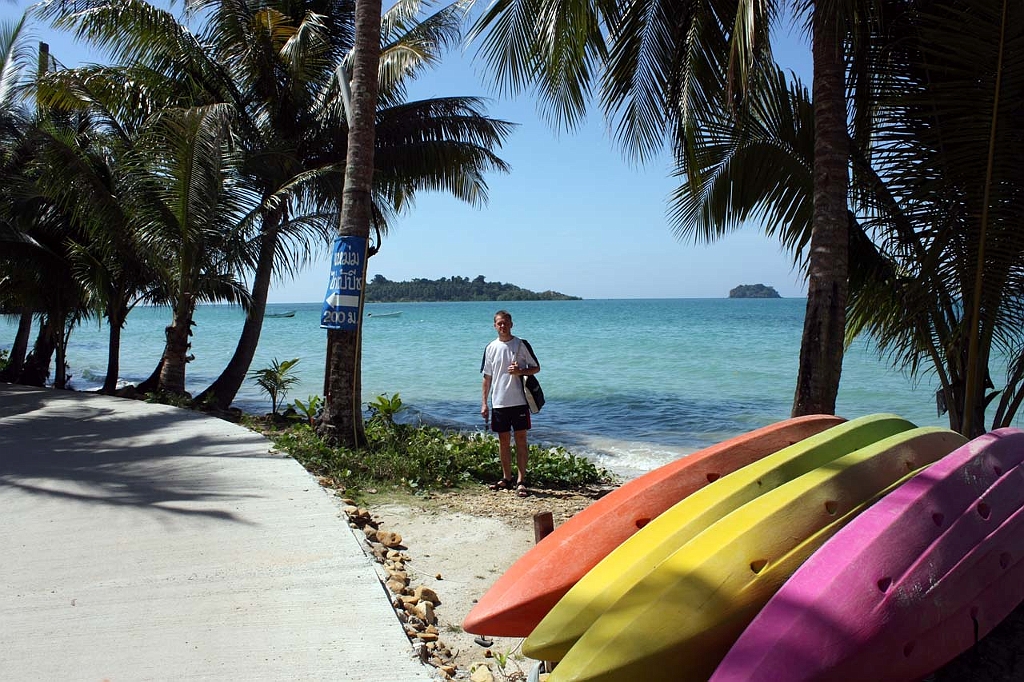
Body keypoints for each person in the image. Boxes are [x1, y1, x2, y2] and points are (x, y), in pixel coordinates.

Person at [480, 310, 540, 498]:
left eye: (506, 323)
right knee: (503, 441)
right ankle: (506, 478)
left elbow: (536, 368)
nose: (503, 326)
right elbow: (487, 377)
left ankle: (521, 481)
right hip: (499, 402)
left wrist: (521, 370)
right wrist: (484, 403)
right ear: (494, 326)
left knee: (521, 440)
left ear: (511, 324)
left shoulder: (521, 344)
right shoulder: (490, 347)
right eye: (499, 323)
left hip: (519, 402)